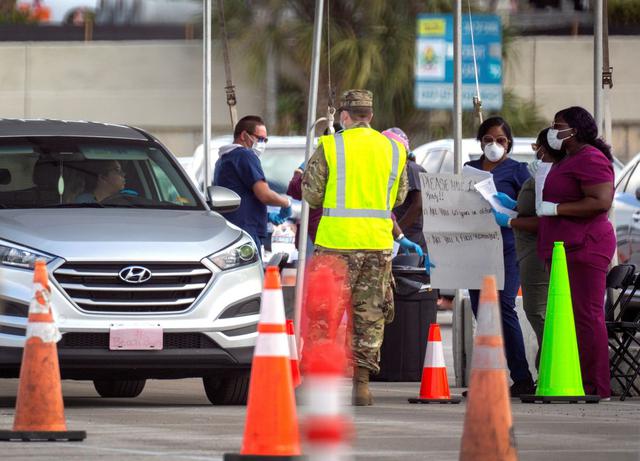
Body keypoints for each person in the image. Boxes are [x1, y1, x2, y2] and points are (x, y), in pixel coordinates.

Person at [302, 89, 409, 406]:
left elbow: (311, 194)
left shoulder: (330, 146)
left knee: (324, 315)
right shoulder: (394, 149)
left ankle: (317, 386)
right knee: (370, 315)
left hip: (336, 243)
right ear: (371, 116)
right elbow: (400, 197)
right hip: (377, 243)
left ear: (345, 116)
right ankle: (361, 386)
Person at [536, 106, 615, 399]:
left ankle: (596, 386)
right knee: (568, 318)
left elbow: (600, 201)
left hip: (585, 246)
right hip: (562, 249)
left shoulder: (591, 158)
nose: (554, 131)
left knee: (586, 315)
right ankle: (575, 379)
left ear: (576, 130)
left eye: (559, 126)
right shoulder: (567, 158)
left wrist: (557, 209)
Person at [465, 116, 535, 396]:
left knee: (504, 308)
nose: (494, 145)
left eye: (501, 140)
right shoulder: (469, 169)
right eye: (488, 140)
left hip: (507, 248)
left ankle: (522, 378)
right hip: (473, 249)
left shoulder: (519, 171)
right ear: (480, 141)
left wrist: (511, 212)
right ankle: (488, 378)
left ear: (509, 143)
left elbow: (531, 209)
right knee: (481, 312)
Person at [492, 128, 563, 369]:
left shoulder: (549, 175)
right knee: (537, 312)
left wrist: (511, 221)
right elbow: (532, 208)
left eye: (540, 150)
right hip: (528, 250)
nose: (538, 155)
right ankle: (548, 366)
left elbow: (544, 218)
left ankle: (553, 367)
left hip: (536, 250)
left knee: (537, 311)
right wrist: (513, 205)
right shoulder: (540, 174)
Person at [213, 115, 292, 250]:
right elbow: (264, 194)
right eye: (259, 138)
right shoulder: (245, 155)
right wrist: (286, 203)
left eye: (265, 140)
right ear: (244, 135)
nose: (262, 144)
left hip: (232, 231)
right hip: (245, 233)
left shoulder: (224, 159)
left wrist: (266, 216)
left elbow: (239, 197)